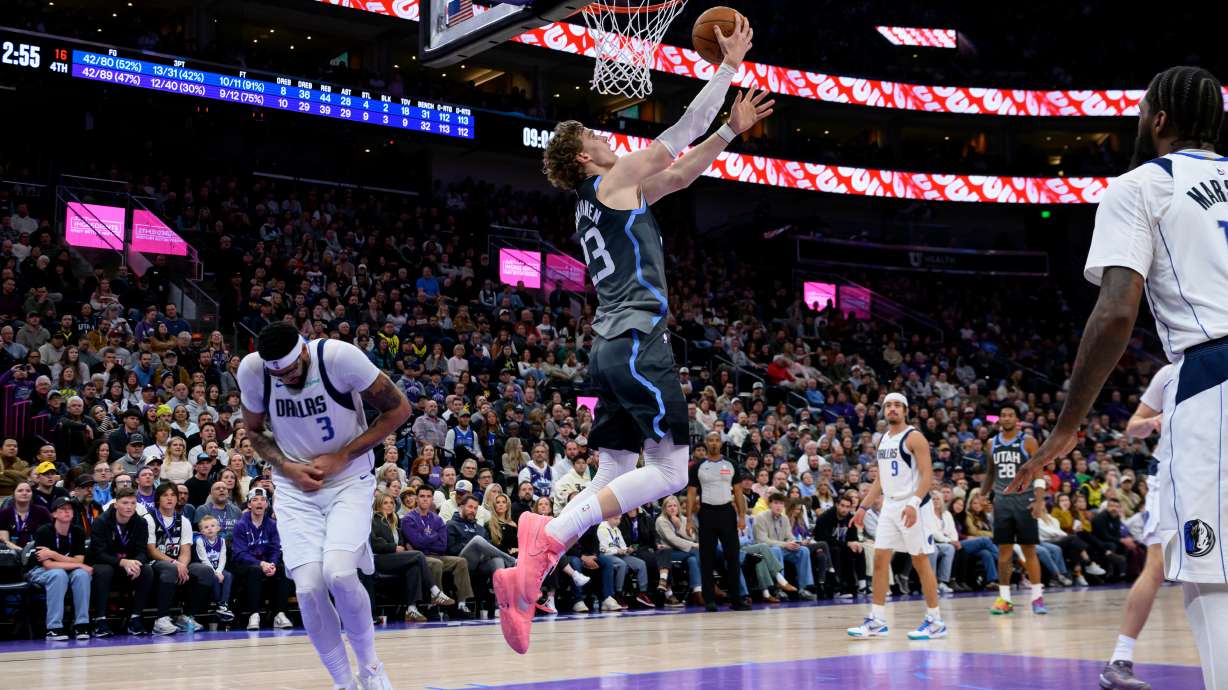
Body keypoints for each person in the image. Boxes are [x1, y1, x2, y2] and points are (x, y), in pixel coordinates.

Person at [494, 16, 767, 654]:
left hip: (609, 346)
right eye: (593, 132)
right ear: (584, 156)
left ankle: (532, 563)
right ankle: (546, 545)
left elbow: (679, 175)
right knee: (671, 473)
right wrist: (727, 69)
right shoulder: (609, 180)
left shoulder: (611, 197)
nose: (604, 134)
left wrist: (731, 129)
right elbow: (677, 137)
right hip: (641, 339)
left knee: (615, 468)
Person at [1010, 66, 1226, 690]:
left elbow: (1115, 313)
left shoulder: (1142, 185)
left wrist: (1067, 425)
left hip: (1215, 380)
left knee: (1211, 576)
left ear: (1158, 121)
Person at [238, 322, 411, 689]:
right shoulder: (253, 370)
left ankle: (371, 668)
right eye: (277, 375)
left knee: (339, 573)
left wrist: (343, 456)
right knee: (308, 588)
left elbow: (399, 410)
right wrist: (286, 467)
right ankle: (343, 682)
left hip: (348, 479)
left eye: (290, 370)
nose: (285, 378)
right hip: (295, 487)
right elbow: (253, 431)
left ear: (303, 351)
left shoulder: (338, 357)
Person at [1099, 363, 1175, 689]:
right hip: (1171, 475)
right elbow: (1133, 426)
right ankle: (1119, 660)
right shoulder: (1171, 373)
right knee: (1156, 567)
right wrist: (1150, 423)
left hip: (1215, 476)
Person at [847, 393, 946, 640]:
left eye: (897, 406)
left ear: (905, 410)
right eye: (888, 405)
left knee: (920, 561)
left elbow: (926, 476)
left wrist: (913, 503)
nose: (892, 409)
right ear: (883, 411)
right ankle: (877, 620)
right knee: (880, 559)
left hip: (914, 505)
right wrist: (862, 508)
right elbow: (880, 480)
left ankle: (935, 621)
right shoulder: (882, 440)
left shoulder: (915, 437)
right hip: (890, 507)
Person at [983, 404, 1047, 615]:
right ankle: (1004, 599)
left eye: (1010, 415)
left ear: (1016, 419)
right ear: (999, 419)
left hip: (1024, 500)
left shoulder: (1028, 441)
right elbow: (990, 473)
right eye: (1003, 415)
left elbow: (1038, 471)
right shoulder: (991, 443)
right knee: (1004, 553)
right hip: (1002, 501)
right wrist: (982, 496)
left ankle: (1037, 598)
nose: (1006, 418)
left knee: (1029, 551)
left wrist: (1039, 500)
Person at [687, 431, 749, 612]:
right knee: (707, 558)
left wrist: (742, 516)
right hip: (707, 513)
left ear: (721, 443)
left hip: (727, 513)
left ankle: (736, 599)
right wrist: (689, 519)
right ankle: (709, 600)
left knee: (733, 557)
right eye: (710, 440)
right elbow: (691, 493)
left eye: (716, 440)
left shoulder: (731, 464)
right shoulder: (698, 466)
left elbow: (738, 492)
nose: (714, 443)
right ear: (706, 443)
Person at [371, 491, 454, 623]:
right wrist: (393, 547)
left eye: (391, 502)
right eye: (385, 503)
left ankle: (411, 608)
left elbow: (402, 541)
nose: (389, 505)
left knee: (414, 566)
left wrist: (403, 546)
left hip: (395, 558)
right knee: (418, 555)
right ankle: (435, 591)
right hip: (379, 559)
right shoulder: (373, 519)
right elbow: (374, 543)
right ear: (378, 505)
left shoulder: (395, 519)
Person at [144, 482, 213, 635]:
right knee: (170, 569)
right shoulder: (149, 519)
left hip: (178, 562)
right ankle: (161, 619)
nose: (170, 498)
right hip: (155, 562)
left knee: (206, 571)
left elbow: (186, 550)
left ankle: (186, 616)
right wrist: (175, 563)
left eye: (173, 495)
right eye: (165, 495)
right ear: (158, 499)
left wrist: (182, 565)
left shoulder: (184, 521)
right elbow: (151, 550)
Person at [86, 487, 155, 637]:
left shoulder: (141, 522)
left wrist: (136, 563)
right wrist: (122, 562)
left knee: (147, 570)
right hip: (106, 563)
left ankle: (135, 618)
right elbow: (98, 553)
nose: (129, 507)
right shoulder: (101, 522)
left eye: (132, 503)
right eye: (125, 503)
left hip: (129, 565)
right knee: (104, 571)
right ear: (116, 504)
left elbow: (142, 551)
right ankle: (100, 620)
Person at [401, 485, 475, 614]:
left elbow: (442, 545)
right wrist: (434, 535)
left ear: (432, 500)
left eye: (428, 496)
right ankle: (434, 604)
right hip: (420, 557)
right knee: (436, 564)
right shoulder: (409, 518)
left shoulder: (437, 519)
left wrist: (425, 538)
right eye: (422, 496)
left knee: (461, 561)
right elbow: (416, 542)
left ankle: (462, 604)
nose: (425, 499)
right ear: (416, 499)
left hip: (437, 554)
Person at [27, 497, 93, 640]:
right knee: (58, 575)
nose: (67, 512)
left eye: (69, 509)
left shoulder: (78, 531)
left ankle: (81, 624)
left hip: (67, 569)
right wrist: (78, 564)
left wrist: (53, 554)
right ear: (54, 514)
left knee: (82, 575)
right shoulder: (43, 531)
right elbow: (48, 565)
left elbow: (79, 560)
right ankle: (54, 627)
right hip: (39, 571)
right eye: (62, 509)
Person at [231, 488, 292, 630]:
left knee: (282, 569)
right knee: (255, 570)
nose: (259, 503)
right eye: (255, 500)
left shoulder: (272, 524)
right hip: (244, 565)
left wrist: (272, 564)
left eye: (263, 500)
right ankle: (254, 615)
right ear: (249, 505)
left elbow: (276, 549)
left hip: (266, 564)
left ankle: (280, 614)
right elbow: (240, 553)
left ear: (266, 504)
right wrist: (261, 563)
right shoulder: (241, 525)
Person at [814, 495, 865, 598]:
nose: (844, 509)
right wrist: (847, 544)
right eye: (842, 505)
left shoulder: (850, 518)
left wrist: (855, 543)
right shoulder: (825, 517)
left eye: (847, 507)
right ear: (837, 505)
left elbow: (853, 537)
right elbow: (824, 539)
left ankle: (861, 584)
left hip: (841, 545)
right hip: (825, 547)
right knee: (837, 551)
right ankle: (838, 588)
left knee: (858, 548)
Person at [193, 515, 235, 623]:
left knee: (228, 575)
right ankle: (218, 603)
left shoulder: (221, 541)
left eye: (212, 526)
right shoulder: (200, 541)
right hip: (206, 568)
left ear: (218, 528)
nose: (210, 528)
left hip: (218, 568)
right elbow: (204, 560)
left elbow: (222, 558)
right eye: (206, 527)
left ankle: (223, 604)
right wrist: (216, 573)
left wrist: (219, 571)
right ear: (202, 531)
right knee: (214, 577)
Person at [0, 481, 52, 551]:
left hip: (37, 551)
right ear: (13, 494)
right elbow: (5, 541)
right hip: (12, 552)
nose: (24, 493)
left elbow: (49, 536)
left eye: (28, 491)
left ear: (32, 494)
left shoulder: (42, 511)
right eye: (20, 491)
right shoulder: (5, 513)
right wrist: (22, 552)